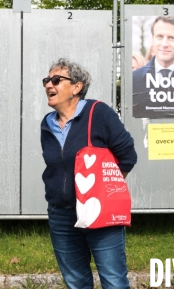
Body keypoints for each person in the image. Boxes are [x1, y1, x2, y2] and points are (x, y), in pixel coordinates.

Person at [40, 58, 137, 289]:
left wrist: (105, 191)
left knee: (113, 281)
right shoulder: (47, 123)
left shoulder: (98, 113)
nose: (48, 85)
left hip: (98, 212)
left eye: (56, 80)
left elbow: (128, 155)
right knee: (76, 282)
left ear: (76, 87)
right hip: (61, 215)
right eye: (46, 80)